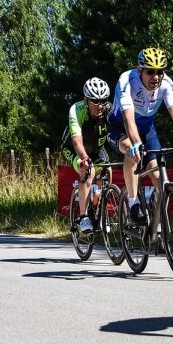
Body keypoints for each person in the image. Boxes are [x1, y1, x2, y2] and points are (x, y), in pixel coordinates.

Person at [107, 47, 173, 226]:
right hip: (119, 127)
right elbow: (128, 118)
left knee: (160, 177)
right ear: (139, 70)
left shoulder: (166, 83)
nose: (156, 76)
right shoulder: (127, 81)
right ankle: (133, 202)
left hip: (147, 128)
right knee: (131, 150)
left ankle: (156, 223)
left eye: (160, 71)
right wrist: (136, 144)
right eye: (150, 71)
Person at [60, 77, 112, 233]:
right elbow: (76, 141)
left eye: (103, 101)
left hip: (96, 150)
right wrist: (85, 160)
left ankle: (98, 209)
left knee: (107, 173)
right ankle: (83, 217)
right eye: (95, 101)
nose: (100, 105)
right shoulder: (77, 110)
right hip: (73, 148)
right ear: (86, 99)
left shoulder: (110, 110)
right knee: (87, 172)